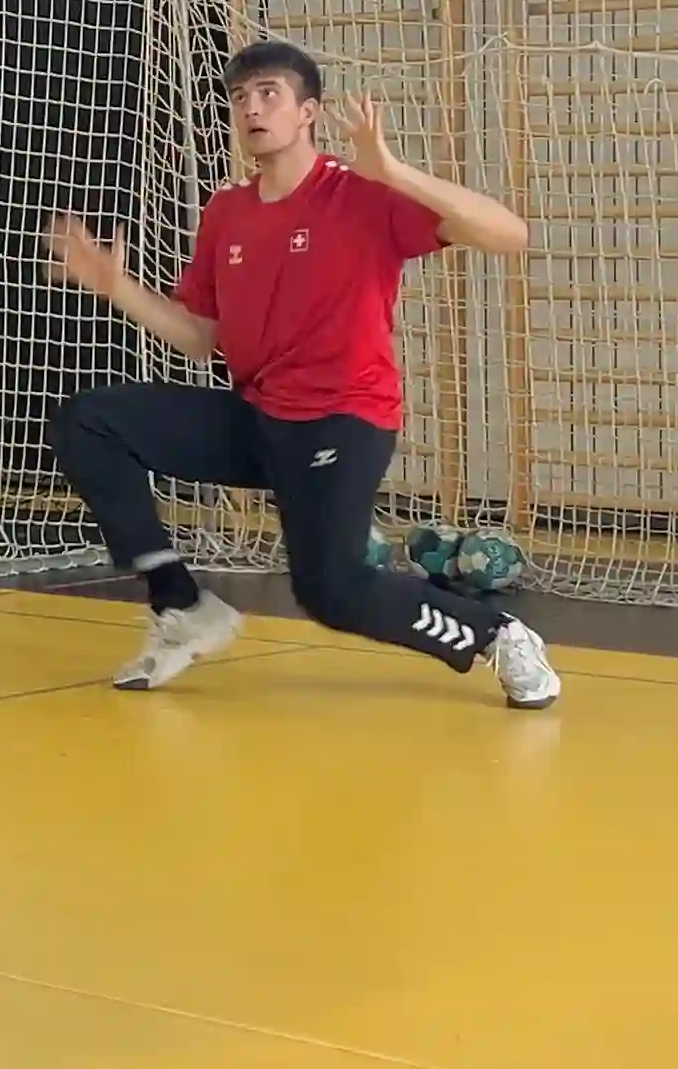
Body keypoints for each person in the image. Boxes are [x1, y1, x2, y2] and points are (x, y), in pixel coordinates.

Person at [43, 37, 561, 708]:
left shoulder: (361, 195)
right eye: (239, 98)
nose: (251, 109)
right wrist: (120, 289)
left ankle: (497, 635)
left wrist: (396, 172)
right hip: (261, 418)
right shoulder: (226, 211)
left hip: (343, 419)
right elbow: (202, 338)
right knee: (91, 421)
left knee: (332, 593)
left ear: (307, 110)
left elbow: (509, 234)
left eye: (268, 94)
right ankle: (181, 604)